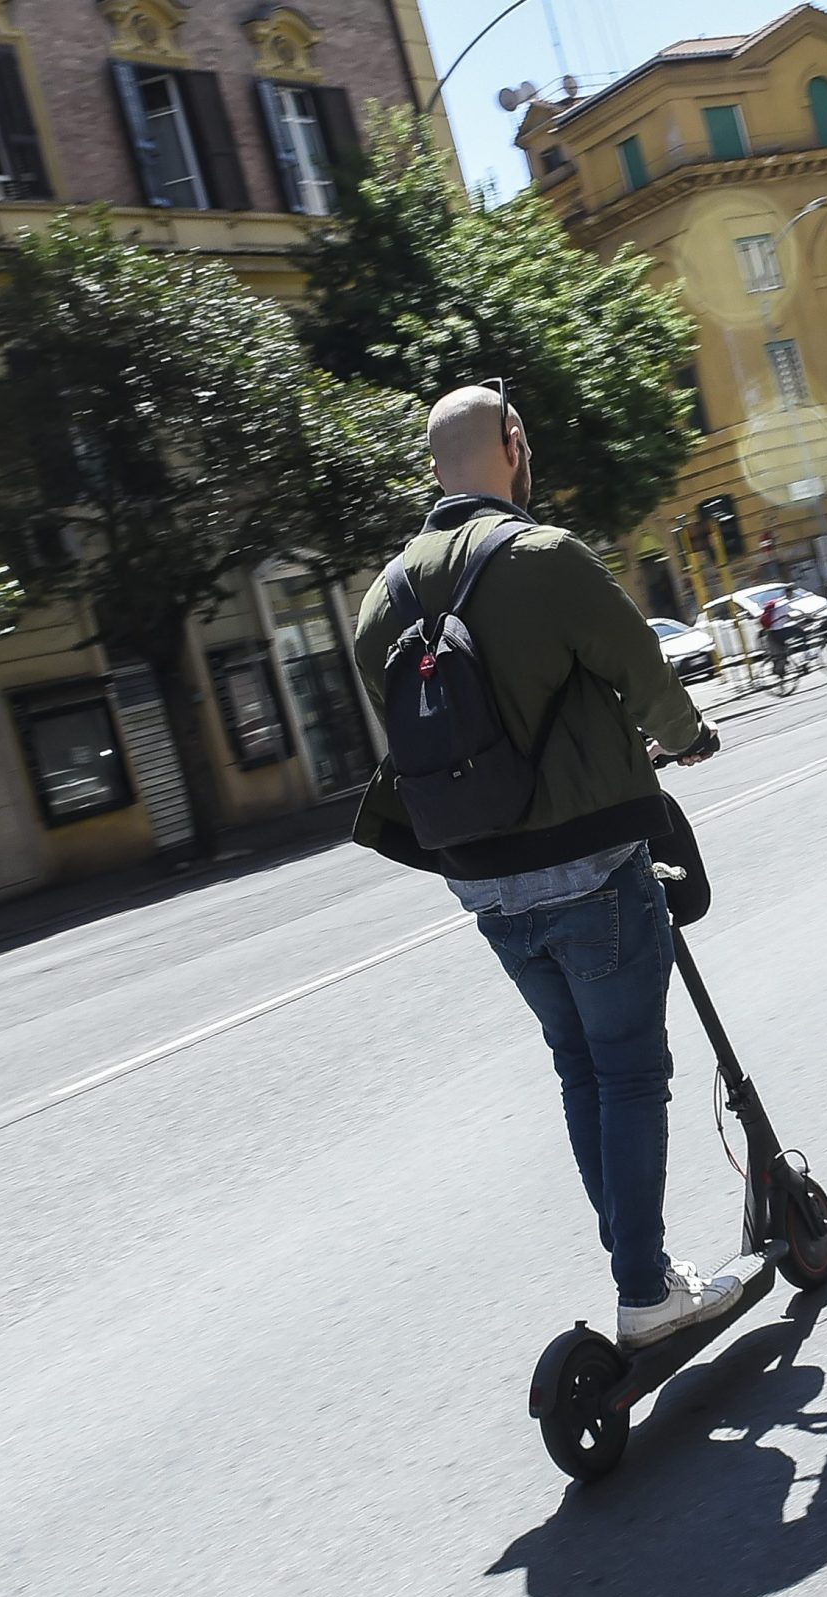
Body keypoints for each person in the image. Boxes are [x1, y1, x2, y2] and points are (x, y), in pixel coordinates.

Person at [352, 385, 736, 1350]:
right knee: (632, 1072)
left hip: (483, 883)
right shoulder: (545, 559)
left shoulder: (379, 601)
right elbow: (639, 666)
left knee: (580, 1069)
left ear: (434, 468)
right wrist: (688, 739)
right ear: (515, 445)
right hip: (591, 868)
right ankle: (645, 1288)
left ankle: (642, 1270)